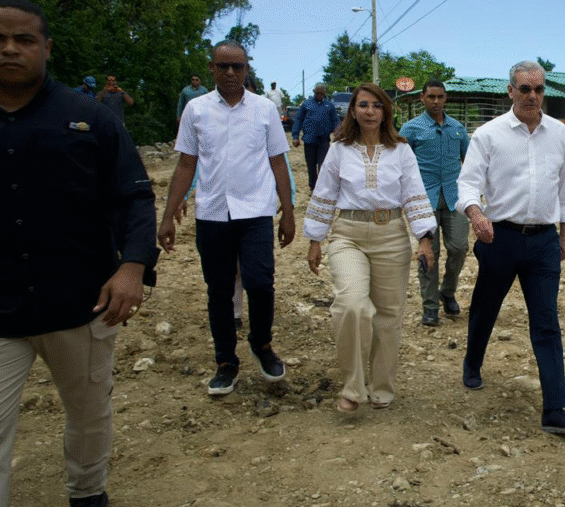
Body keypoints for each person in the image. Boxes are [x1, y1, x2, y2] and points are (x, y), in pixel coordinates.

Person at [0, 0, 157, 507]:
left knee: (88, 412)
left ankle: (88, 492)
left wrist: (132, 267)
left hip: (81, 299)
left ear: (46, 47)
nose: (9, 49)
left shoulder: (90, 118)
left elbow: (134, 198)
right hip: (1, 308)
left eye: (23, 39)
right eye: (0, 39)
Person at [456, 60, 565, 435]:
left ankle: (555, 408)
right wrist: (476, 214)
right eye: (525, 89)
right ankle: (472, 361)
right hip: (499, 237)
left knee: (546, 322)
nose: (533, 96)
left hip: (544, 241)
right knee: (486, 308)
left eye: (539, 89)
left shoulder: (559, 133)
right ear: (510, 91)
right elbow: (467, 184)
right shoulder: (488, 135)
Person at [158, 39, 295, 396]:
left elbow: (278, 161)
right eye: (223, 66)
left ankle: (262, 344)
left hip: (256, 212)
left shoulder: (264, 109)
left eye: (237, 66)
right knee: (219, 290)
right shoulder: (196, 110)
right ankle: (225, 363)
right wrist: (168, 214)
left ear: (247, 69)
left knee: (260, 283)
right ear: (212, 68)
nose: (231, 72)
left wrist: (288, 211)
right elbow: (186, 164)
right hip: (213, 213)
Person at [304, 83, 436, 412]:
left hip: (391, 235)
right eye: (363, 105)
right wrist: (315, 240)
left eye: (377, 106)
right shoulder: (339, 149)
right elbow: (324, 192)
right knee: (350, 304)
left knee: (388, 316)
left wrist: (425, 238)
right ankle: (353, 386)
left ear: (385, 112)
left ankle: (381, 387)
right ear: (353, 110)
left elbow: (414, 193)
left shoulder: (401, 150)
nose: (370, 111)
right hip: (347, 235)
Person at [399, 80, 470, 327]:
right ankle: (430, 307)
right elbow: (399, 164)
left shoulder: (457, 128)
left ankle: (447, 292)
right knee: (430, 253)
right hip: (423, 200)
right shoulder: (411, 129)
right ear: (422, 98)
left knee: (459, 247)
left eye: (440, 97)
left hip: (454, 198)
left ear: (446, 98)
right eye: (431, 97)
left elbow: (471, 163)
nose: (436, 101)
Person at [293, 82, 340, 190]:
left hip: (323, 141)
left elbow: (335, 121)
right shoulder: (307, 104)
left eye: (321, 94)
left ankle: (321, 187)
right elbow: (298, 120)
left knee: (323, 165)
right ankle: (313, 187)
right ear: (314, 92)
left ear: (324, 93)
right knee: (311, 166)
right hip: (309, 141)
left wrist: (338, 132)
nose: (319, 96)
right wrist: (295, 136)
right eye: (317, 93)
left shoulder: (329, 106)